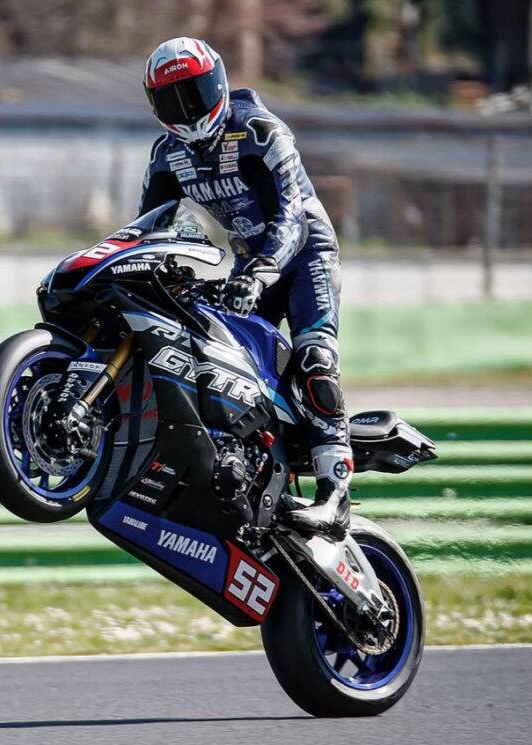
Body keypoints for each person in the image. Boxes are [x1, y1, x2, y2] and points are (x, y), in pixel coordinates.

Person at [138, 36, 352, 535]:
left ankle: (336, 491)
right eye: (174, 100)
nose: (188, 109)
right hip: (248, 266)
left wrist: (259, 271)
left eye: (195, 92)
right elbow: (149, 229)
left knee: (314, 360)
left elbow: (292, 215)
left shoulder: (260, 130)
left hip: (302, 256)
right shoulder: (166, 156)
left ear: (218, 82)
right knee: (218, 361)